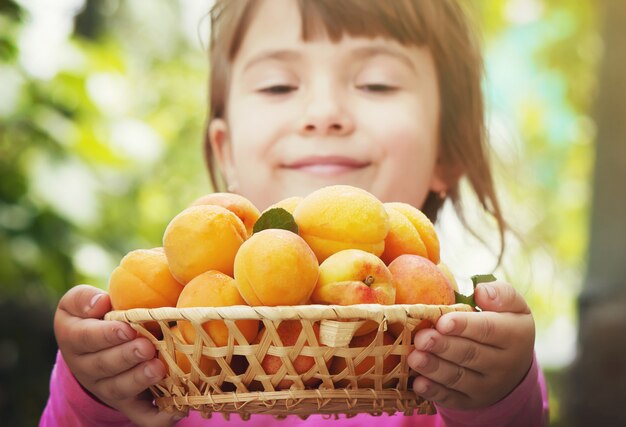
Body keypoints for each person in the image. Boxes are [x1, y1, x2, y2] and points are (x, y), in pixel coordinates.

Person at [41, 0, 549, 426]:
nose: (323, 113)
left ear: (446, 153)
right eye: (278, 86)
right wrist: (101, 395)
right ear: (226, 153)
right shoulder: (175, 352)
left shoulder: (448, 357)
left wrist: (498, 397)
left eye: (376, 83)